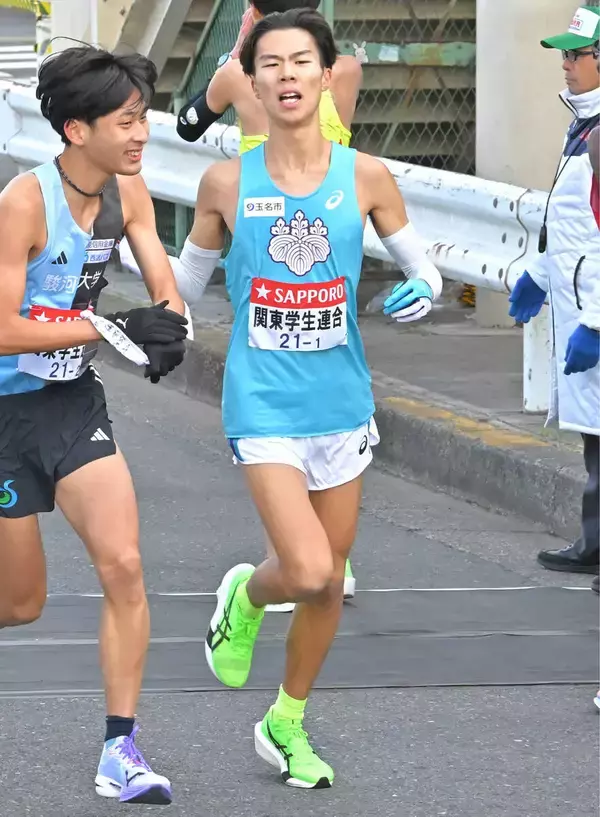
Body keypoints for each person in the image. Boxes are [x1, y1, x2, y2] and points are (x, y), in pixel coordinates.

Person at [176, 9, 443, 788]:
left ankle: (285, 719)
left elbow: (420, 268)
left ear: (326, 76)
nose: (287, 75)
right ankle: (246, 593)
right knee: (307, 563)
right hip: (261, 403)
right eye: (272, 64)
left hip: (342, 402)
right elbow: (186, 284)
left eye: (301, 62)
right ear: (251, 81)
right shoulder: (227, 182)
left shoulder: (364, 176)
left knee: (327, 579)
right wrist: (148, 314)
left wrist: (420, 292)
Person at [0, 45, 190, 804]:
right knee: (21, 603)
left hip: (74, 406)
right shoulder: (24, 203)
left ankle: (121, 747)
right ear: (78, 129)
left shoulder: (128, 191)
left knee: (125, 566)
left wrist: (167, 327)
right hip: (5, 414)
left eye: (144, 117)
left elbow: (164, 290)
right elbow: (4, 330)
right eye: (128, 120)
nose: (142, 133)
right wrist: (110, 329)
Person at [509, 5, 600, 579]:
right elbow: (575, 226)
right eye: (564, 55)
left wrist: (595, 320)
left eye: (576, 55)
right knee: (596, 439)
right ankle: (595, 544)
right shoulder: (585, 127)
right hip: (582, 304)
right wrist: (539, 275)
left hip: (594, 313)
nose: (565, 66)